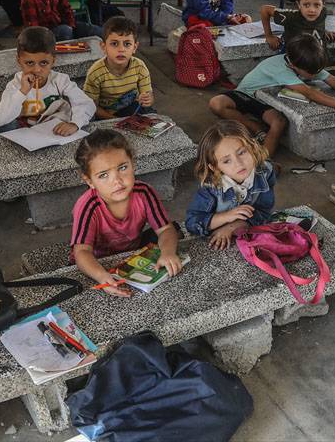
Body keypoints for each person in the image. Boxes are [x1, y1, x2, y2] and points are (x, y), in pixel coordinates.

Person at [209, 34, 335, 156]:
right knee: (217, 103)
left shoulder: (305, 63)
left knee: (278, 122)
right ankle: (255, 128)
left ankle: (263, 161)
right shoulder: (280, 68)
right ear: (293, 66)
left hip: (266, 102)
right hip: (247, 95)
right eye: (311, 73)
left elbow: (332, 79)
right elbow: (309, 92)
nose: (315, 74)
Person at [70, 129, 183, 297]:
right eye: (103, 175)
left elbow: (165, 230)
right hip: (97, 261)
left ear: (133, 164)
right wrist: (102, 276)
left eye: (122, 167)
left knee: (174, 231)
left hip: (132, 252)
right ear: (89, 181)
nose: (117, 181)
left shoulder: (144, 192)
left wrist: (167, 253)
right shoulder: (88, 206)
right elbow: (82, 252)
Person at [184, 120, 277, 249]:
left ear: (253, 147)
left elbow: (264, 212)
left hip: (242, 235)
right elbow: (192, 223)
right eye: (227, 161)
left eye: (242, 152)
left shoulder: (266, 172)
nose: (238, 163)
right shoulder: (211, 187)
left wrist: (234, 225)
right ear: (215, 167)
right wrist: (227, 217)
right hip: (215, 242)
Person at [0, 26, 95, 133]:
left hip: (55, 127)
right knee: (4, 127)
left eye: (44, 63)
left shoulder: (60, 80)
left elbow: (87, 103)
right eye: (29, 63)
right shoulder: (15, 84)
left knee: (85, 117)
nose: (37, 70)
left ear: (53, 61)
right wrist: (22, 92)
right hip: (26, 130)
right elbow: (0, 120)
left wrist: (74, 124)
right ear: (19, 61)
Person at [82, 17, 154, 119]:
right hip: (106, 115)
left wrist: (148, 99)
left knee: (151, 116)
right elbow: (92, 106)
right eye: (114, 44)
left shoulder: (140, 67)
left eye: (127, 44)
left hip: (133, 109)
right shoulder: (95, 72)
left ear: (134, 47)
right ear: (103, 47)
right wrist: (114, 120)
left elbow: (148, 95)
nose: (121, 49)